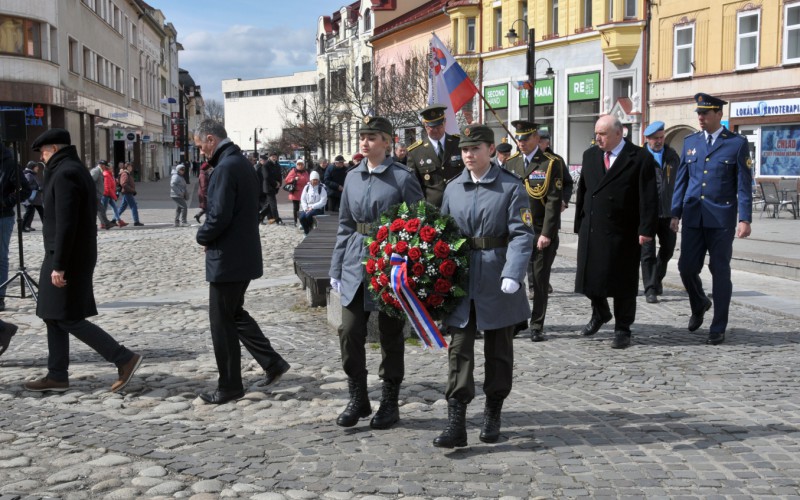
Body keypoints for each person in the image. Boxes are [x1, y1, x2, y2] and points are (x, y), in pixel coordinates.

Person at [433, 124, 534, 448]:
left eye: (475, 149)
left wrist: (513, 273)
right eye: (464, 150)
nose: (468, 155)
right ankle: (456, 421)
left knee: (499, 351)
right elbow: (442, 234)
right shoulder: (453, 189)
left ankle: (493, 412)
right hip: (461, 278)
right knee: (459, 349)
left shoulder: (510, 186)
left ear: (491, 150)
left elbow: (521, 233)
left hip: (496, 276)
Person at [22, 128, 142, 393]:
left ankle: (124, 357)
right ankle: (57, 375)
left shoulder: (66, 173)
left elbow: (67, 223)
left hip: (67, 257)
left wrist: (59, 265)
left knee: (67, 317)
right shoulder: (70, 169)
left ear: (53, 149)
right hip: (62, 254)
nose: (42, 157)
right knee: (52, 314)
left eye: (43, 152)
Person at [329, 115, 423, 430]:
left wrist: (407, 260)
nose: (365, 142)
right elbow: (344, 224)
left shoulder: (402, 177)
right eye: (363, 136)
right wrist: (337, 267)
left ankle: (389, 401)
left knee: (390, 334)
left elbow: (418, 223)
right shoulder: (353, 176)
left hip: (390, 261)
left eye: (372, 137)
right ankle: (358, 396)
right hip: (356, 259)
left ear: (387, 141)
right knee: (349, 330)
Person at [193, 120, 290, 404]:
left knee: (221, 322)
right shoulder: (239, 161)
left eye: (200, 146)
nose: (200, 152)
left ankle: (230, 385)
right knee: (234, 313)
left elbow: (219, 214)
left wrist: (203, 236)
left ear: (210, 139)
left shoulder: (225, 167)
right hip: (240, 253)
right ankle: (272, 363)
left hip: (228, 258)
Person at [671, 93, 753, 345]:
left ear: (719, 114)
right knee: (686, 268)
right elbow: (682, 180)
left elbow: (744, 185)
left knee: (720, 271)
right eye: (699, 113)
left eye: (705, 113)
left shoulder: (736, 144)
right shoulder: (691, 142)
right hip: (694, 217)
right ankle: (699, 302)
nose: (701, 117)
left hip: (721, 219)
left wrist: (745, 218)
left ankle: (718, 326)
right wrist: (675, 213)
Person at [574, 115, 658, 349]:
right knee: (588, 278)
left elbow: (648, 197)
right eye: (596, 133)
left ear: (619, 134)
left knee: (622, 283)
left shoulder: (639, 157)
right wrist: (579, 222)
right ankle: (600, 312)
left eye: (602, 134)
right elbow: (584, 190)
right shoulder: (590, 155)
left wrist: (646, 229)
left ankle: (623, 328)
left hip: (624, 230)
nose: (597, 138)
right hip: (593, 227)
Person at [504, 120, 566, 342]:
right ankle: (518, 320)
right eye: (518, 138)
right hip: (516, 232)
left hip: (540, 230)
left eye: (525, 138)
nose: (520, 142)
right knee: (514, 279)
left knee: (539, 280)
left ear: (536, 139)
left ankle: (537, 324)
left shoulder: (550, 163)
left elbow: (553, 200)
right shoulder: (510, 164)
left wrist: (547, 233)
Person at [640, 121, 680, 303]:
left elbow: (680, 186)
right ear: (647, 139)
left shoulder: (672, 156)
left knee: (668, 250)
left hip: (668, 212)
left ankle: (656, 279)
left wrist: (677, 214)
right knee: (647, 252)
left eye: (662, 137)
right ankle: (650, 288)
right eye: (655, 138)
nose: (659, 141)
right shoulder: (639, 157)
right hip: (646, 214)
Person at [406, 104, 464, 207]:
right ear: (425, 126)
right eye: (432, 127)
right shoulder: (415, 152)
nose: (436, 130)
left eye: (439, 126)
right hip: (433, 209)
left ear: (445, 123)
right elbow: (414, 186)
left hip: (459, 204)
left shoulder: (459, 144)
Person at [0, 143, 30, 312]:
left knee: (0, 257)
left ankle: (0, 296)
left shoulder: (9, 164)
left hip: (2, 217)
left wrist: (5, 202)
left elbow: (25, 190)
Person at [298, 170, 327, 235]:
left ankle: (308, 229)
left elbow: (323, 201)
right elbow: (303, 199)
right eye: (314, 180)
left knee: (309, 215)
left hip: (318, 208)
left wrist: (313, 207)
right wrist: (305, 208)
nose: (315, 181)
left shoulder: (321, 188)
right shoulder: (307, 188)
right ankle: (306, 231)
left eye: (316, 180)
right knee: (302, 217)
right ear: (310, 180)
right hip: (307, 208)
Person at [259, 152, 284, 225]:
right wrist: (275, 183)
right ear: (269, 157)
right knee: (273, 204)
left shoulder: (277, 165)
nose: (274, 157)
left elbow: (280, 175)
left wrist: (279, 183)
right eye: (272, 156)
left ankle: (260, 216)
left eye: (275, 156)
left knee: (269, 204)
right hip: (268, 187)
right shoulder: (266, 165)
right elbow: (266, 177)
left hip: (275, 188)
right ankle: (277, 219)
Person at [284, 158, 310, 227]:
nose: (300, 166)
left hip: (304, 192)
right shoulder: (293, 171)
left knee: (305, 206)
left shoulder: (305, 172)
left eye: (301, 164)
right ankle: (296, 221)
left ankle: (304, 220)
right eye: (299, 164)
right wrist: (294, 179)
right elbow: (287, 180)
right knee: (296, 208)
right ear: (296, 165)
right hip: (296, 192)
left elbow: (308, 180)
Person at [101, 161, 126, 227]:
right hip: (106, 195)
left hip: (109, 195)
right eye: (111, 168)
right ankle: (103, 223)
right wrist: (114, 196)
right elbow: (107, 188)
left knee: (115, 207)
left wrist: (118, 177)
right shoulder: (106, 175)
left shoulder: (110, 174)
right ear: (108, 168)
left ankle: (119, 220)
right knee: (104, 209)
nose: (112, 169)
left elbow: (114, 183)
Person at [89, 160, 113, 230]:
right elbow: (91, 180)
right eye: (105, 166)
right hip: (95, 194)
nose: (106, 168)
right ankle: (106, 224)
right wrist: (93, 192)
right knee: (100, 209)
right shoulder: (96, 171)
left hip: (97, 194)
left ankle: (106, 224)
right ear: (102, 165)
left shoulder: (99, 171)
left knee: (99, 210)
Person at [22, 161, 44, 231]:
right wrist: (37, 187)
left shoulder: (32, 174)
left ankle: (26, 226)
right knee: (31, 212)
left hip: (34, 198)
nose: (38, 168)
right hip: (30, 198)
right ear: (33, 167)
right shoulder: (28, 175)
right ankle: (22, 227)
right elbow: (26, 186)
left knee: (34, 211)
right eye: (36, 166)